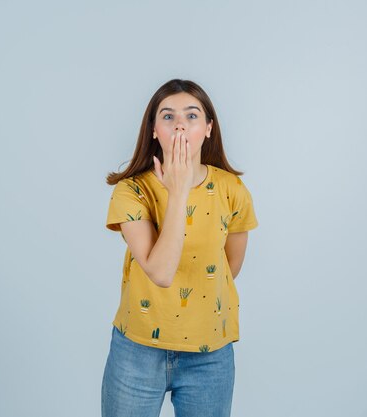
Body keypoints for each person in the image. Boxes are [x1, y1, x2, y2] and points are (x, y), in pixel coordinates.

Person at [101, 79, 258, 417]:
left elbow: (230, 265)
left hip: (210, 353)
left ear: (208, 128)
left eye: (192, 115)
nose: (181, 124)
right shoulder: (131, 191)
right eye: (168, 116)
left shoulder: (232, 190)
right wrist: (179, 192)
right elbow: (160, 272)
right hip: (137, 351)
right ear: (154, 130)